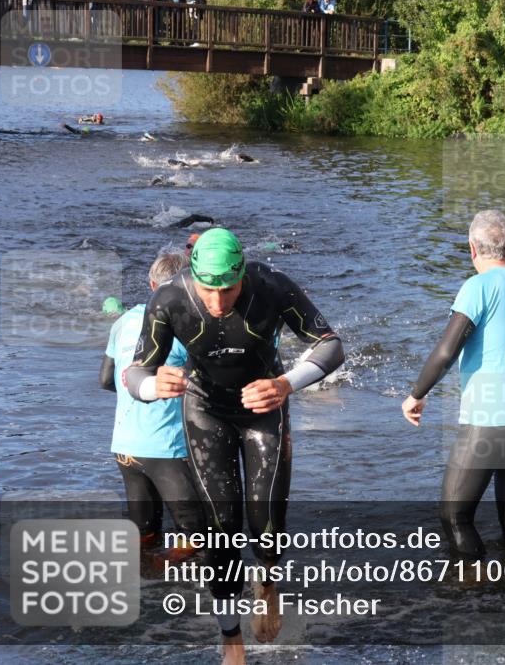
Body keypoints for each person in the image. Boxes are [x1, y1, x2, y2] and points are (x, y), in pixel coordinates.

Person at [124, 228, 344, 664]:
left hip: (265, 406)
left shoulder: (272, 286)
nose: (219, 301)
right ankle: (230, 637)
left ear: (243, 274)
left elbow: (331, 345)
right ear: (194, 278)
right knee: (220, 527)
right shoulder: (168, 298)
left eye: (228, 289)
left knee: (265, 519)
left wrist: (285, 384)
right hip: (206, 410)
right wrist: (151, 385)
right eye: (209, 290)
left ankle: (268, 577)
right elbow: (133, 373)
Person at [402, 210, 505, 560]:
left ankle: (475, 593)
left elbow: (447, 350)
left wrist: (416, 395)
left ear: (472, 249)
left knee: (454, 515)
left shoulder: (476, 288)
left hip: (487, 420)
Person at [100, 252, 204, 557]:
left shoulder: (124, 320)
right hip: (166, 448)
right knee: (196, 538)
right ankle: (161, 574)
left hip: (124, 446)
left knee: (143, 534)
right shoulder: (189, 325)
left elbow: (106, 379)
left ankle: (140, 579)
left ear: (150, 283)